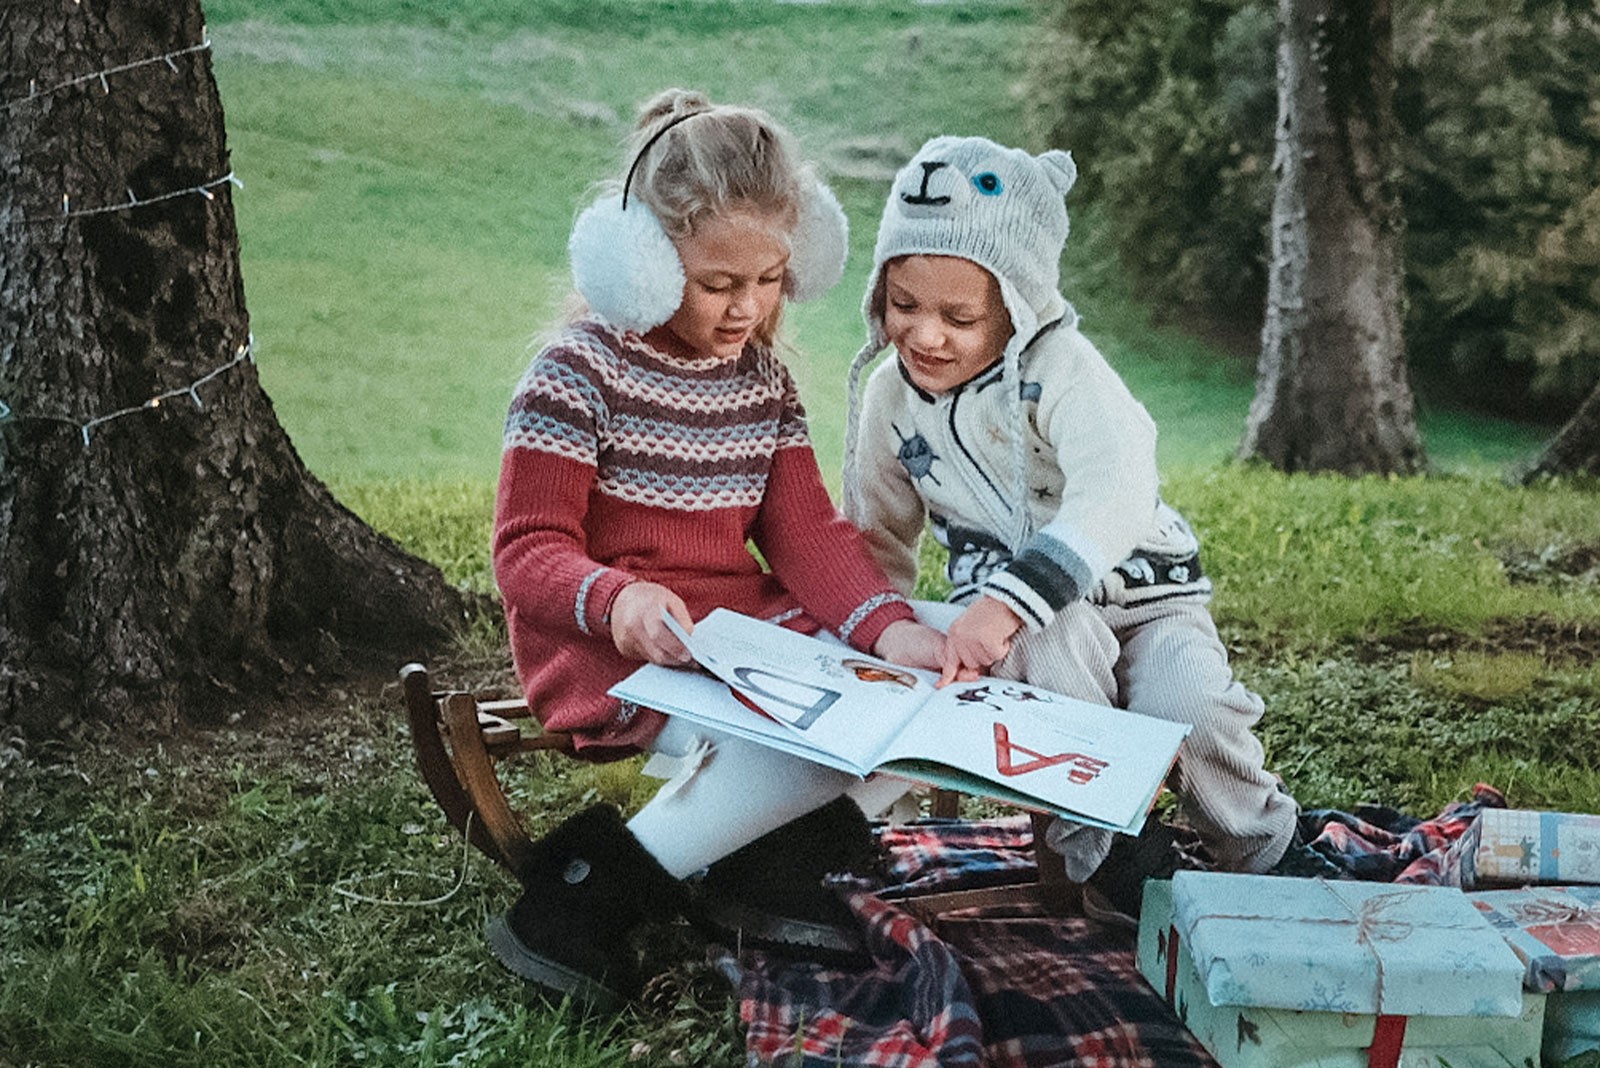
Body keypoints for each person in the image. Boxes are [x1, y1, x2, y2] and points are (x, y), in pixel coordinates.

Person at [488, 89, 949, 1010]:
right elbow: (527, 549)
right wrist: (617, 601)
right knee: (826, 733)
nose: (747, 308)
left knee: (949, 676)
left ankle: (764, 870)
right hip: (610, 653)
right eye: (718, 285)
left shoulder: (763, 384)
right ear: (644, 263)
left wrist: (893, 631)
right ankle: (579, 901)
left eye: (769, 279)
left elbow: (807, 535)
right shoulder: (578, 373)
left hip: (734, 635)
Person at [840, 135, 1310, 923]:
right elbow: (875, 533)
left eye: (959, 316)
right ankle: (1112, 852)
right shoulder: (891, 397)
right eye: (904, 305)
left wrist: (1013, 599)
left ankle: (1266, 848)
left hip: (1147, 598)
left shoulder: (1063, 371)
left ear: (1018, 305)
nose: (926, 335)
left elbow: (1118, 488)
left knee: (1189, 703)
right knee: (1053, 665)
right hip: (1027, 626)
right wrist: (871, 635)